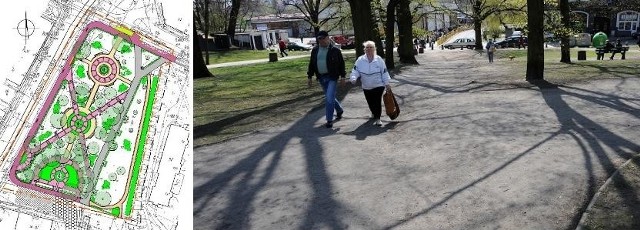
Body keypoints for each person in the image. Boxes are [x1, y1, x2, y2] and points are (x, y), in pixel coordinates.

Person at [307, 31, 346, 128]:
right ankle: (339, 110)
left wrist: (343, 77)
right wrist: (310, 76)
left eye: (323, 38)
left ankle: (329, 119)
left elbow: (341, 64)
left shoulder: (335, 50)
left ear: (328, 38)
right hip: (321, 77)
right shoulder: (315, 50)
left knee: (329, 98)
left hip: (332, 77)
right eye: (320, 39)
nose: (322, 40)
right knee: (330, 97)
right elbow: (312, 64)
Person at [349, 41, 391, 126]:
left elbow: (384, 72)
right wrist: (353, 78)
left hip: (378, 85)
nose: (369, 49)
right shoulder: (360, 60)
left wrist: (387, 84)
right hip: (366, 86)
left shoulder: (379, 60)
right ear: (364, 49)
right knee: (370, 102)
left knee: (377, 101)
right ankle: (373, 112)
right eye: (367, 47)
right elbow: (355, 70)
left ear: (374, 49)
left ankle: (378, 118)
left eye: (371, 47)